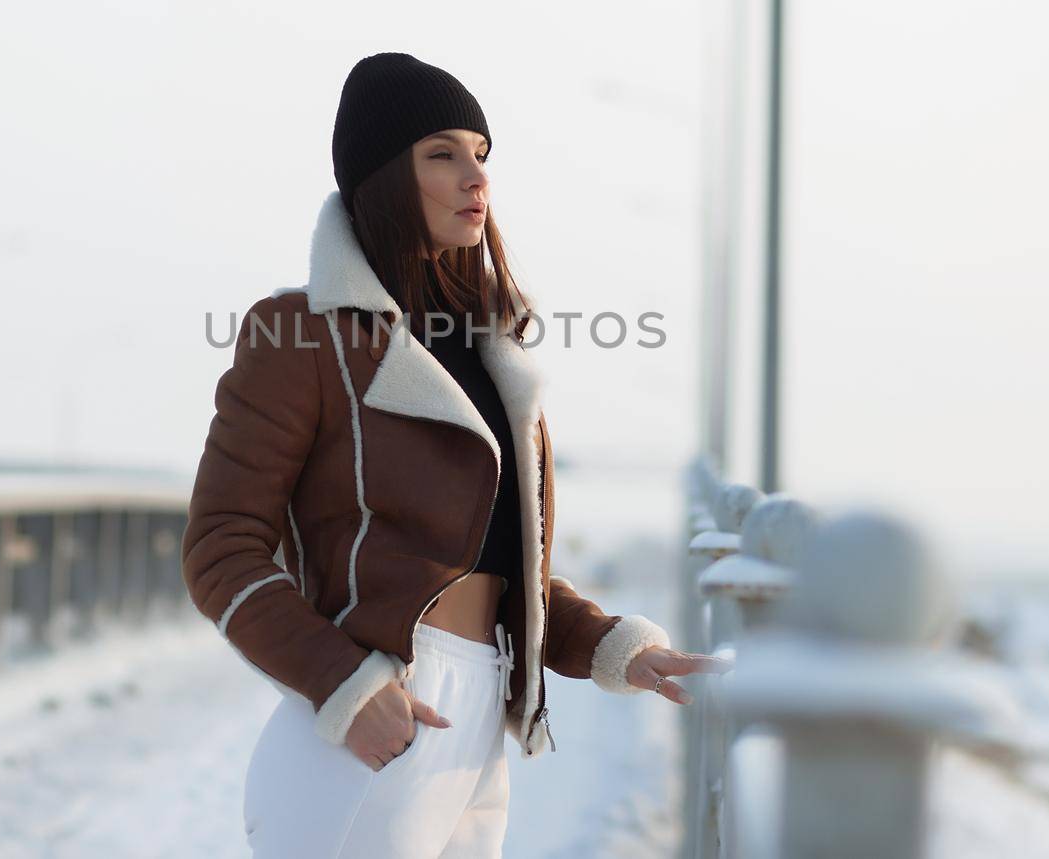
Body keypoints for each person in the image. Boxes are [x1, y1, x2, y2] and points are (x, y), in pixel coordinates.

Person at [180, 52, 728, 858]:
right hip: (375, 716)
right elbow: (219, 547)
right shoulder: (302, 334)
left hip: (479, 723)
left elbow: (503, 571)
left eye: (481, 152)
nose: (476, 176)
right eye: (442, 153)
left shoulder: (490, 351)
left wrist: (617, 648)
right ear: (382, 177)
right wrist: (344, 683)